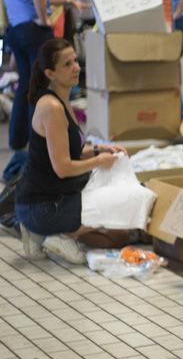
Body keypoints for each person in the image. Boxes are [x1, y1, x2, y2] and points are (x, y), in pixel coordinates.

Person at [15, 38, 126, 264]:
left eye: (75, 60)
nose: (76, 67)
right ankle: (62, 234)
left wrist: (98, 150)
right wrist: (99, 161)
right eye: (67, 64)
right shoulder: (52, 107)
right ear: (50, 73)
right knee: (119, 204)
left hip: (48, 199)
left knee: (115, 206)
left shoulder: (62, 101)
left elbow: (72, 150)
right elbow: (63, 167)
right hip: (42, 207)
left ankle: (40, 234)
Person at [2, 0, 86, 154]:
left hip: (16, 32)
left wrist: (68, 0)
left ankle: (18, 140)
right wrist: (44, 19)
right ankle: (39, 138)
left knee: (24, 87)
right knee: (40, 87)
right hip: (34, 32)